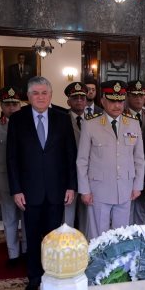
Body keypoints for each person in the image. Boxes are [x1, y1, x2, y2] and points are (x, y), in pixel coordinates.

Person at [6, 76, 77, 290]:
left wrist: (71, 185)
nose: (40, 97)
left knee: (53, 237)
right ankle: (35, 277)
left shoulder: (63, 118)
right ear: (28, 97)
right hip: (29, 191)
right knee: (34, 236)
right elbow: (12, 158)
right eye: (35, 93)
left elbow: (70, 155)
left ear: (50, 95)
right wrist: (16, 189)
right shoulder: (17, 120)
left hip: (57, 190)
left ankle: (52, 275)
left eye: (44, 93)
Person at [77, 81, 145, 238]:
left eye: (120, 101)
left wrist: (137, 186)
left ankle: (117, 262)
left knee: (121, 235)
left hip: (125, 189)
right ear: (103, 101)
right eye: (112, 101)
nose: (117, 105)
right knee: (98, 236)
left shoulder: (133, 124)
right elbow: (82, 161)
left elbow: (139, 158)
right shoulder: (90, 124)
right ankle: (98, 262)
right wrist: (85, 190)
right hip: (98, 190)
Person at [0, 86, 26, 268]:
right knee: (9, 219)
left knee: (27, 220)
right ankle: (13, 255)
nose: (12, 108)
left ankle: (27, 252)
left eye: (15, 104)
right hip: (4, 182)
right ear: (1, 106)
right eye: (8, 104)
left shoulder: (29, 124)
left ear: (21, 105)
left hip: (27, 181)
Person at [63, 81, 91, 233]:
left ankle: (86, 251)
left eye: (82, 97)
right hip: (68, 176)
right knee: (67, 218)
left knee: (87, 219)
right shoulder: (61, 120)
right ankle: (67, 253)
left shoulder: (95, 120)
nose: (79, 100)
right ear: (68, 101)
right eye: (75, 98)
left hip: (89, 176)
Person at [126, 80, 145, 225]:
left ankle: (141, 242)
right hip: (126, 170)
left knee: (142, 210)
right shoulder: (121, 116)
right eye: (134, 95)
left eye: (141, 95)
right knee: (126, 210)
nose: (139, 99)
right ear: (128, 97)